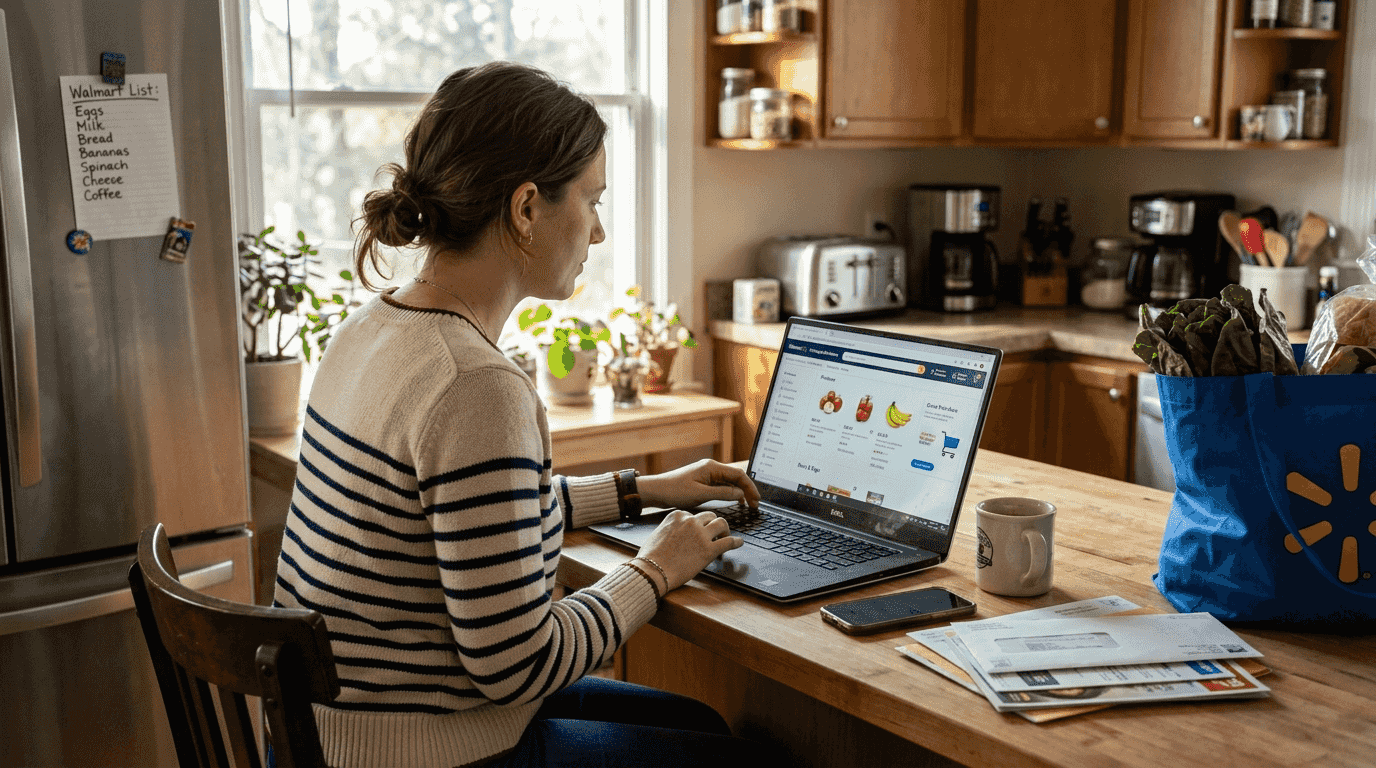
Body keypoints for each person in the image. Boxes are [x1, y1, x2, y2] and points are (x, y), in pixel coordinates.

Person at [273, 61, 772, 768]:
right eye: (592, 201)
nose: (596, 233)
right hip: (427, 750)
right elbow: (517, 666)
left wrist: (639, 492)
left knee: (700, 724)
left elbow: (470, 520)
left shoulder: (372, 328)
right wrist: (658, 569)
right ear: (527, 207)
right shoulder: (474, 385)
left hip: (336, 735)